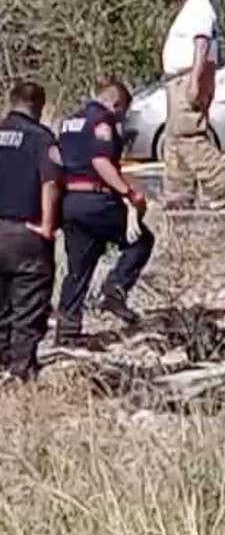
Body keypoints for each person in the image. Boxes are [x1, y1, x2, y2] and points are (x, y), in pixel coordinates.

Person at [54, 79, 155, 345]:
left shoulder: (68, 122)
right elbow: (100, 161)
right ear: (116, 104)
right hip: (95, 200)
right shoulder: (103, 121)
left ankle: (67, 332)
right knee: (141, 241)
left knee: (78, 268)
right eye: (123, 112)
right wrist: (128, 193)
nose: (122, 118)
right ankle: (115, 289)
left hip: (69, 202)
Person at [160, 0, 225, 210]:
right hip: (180, 78)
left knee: (188, 134)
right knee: (174, 137)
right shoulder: (193, 8)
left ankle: (221, 182)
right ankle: (178, 193)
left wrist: (195, 80)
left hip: (188, 77)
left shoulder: (199, 8)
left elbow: (201, 44)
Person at [0, 83, 61, 381]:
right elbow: (50, 183)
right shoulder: (41, 138)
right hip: (25, 232)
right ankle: (21, 371)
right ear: (38, 106)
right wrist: (48, 226)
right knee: (28, 305)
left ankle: (2, 360)